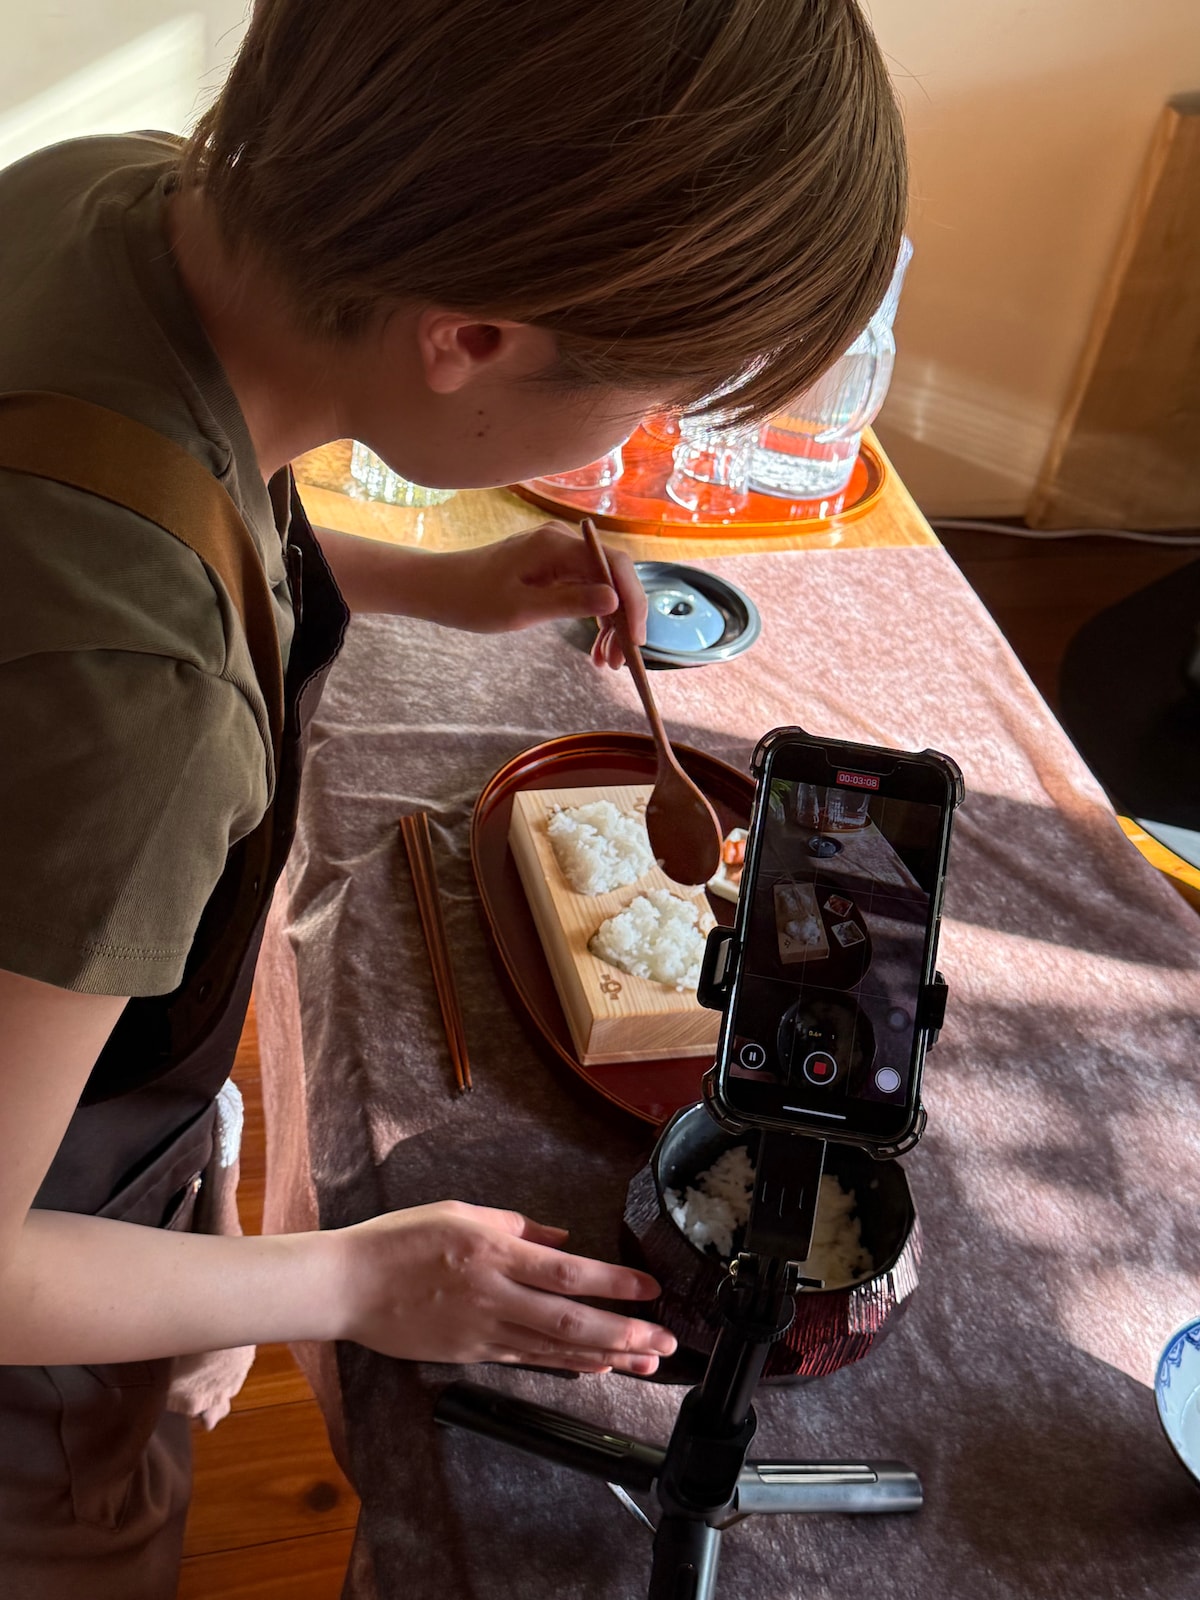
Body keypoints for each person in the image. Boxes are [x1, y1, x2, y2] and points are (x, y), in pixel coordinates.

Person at [0, 0, 907, 1593]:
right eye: (650, 397)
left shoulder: (111, 193)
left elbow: (178, 504)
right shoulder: (138, 705)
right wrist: (341, 1283)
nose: (636, 439)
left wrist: (438, 582)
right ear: (471, 336)